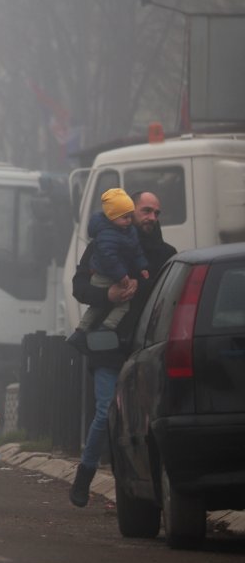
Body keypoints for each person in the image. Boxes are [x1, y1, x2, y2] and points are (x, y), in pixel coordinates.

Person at [69, 190, 175, 507]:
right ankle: (84, 476)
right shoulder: (103, 243)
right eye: (145, 211)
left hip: (149, 350)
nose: (151, 218)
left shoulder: (167, 255)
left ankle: (137, 490)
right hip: (109, 346)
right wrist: (109, 296)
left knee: (147, 421)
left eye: (157, 213)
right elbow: (79, 287)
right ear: (129, 212)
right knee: (105, 412)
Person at [68, 188, 149, 346]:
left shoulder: (130, 233)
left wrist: (142, 270)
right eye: (146, 211)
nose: (129, 221)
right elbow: (80, 285)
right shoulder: (106, 237)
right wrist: (110, 290)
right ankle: (104, 328)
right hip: (108, 277)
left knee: (98, 307)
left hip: (135, 341)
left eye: (130, 216)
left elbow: (137, 253)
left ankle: (83, 330)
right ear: (113, 217)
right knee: (116, 305)